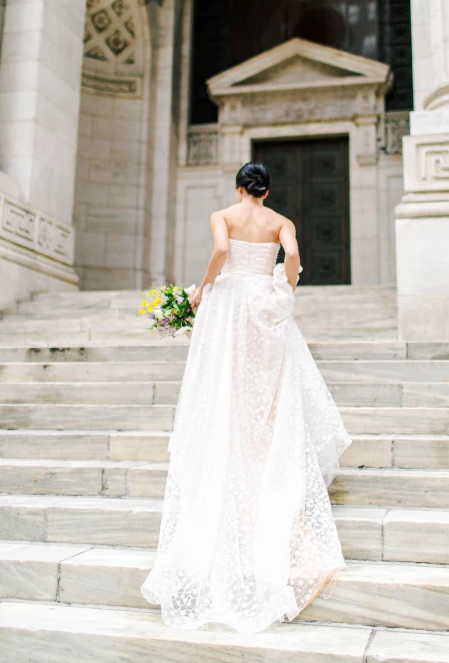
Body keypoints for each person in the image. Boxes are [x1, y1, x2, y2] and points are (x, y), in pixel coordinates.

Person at [141, 161, 351, 632]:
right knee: (265, 387)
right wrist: (284, 285)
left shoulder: (223, 215)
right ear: (266, 190)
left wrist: (205, 287)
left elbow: (220, 250)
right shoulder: (282, 222)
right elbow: (293, 258)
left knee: (222, 377)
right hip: (264, 305)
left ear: (239, 188)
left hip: (230, 304)